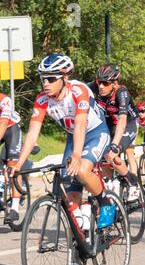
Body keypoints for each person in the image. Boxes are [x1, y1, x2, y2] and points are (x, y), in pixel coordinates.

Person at [11, 53, 115, 229]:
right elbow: (32, 134)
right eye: (43, 79)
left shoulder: (78, 91)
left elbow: (81, 124)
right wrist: (18, 164)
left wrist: (76, 155)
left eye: (51, 79)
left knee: (81, 169)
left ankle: (105, 202)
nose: (46, 84)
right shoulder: (42, 101)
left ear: (65, 77)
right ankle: (81, 235)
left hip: (96, 132)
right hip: (73, 137)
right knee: (67, 189)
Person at [88, 63, 141, 201]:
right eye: (99, 82)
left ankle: (133, 183)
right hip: (109, 124)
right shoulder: (94, 87)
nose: (100, 86)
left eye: (105, 83)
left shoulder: (122, 93)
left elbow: (123, 121)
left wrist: (115, 145)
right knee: (102, 157)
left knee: (112, 153)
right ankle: (111, 187)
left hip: (128, 124)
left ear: (114, 83)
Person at [0, 93, 23, 223]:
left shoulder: (5, 100)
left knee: (13, 165)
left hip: (11, 129)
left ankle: (14, 208)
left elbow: (3, 124)